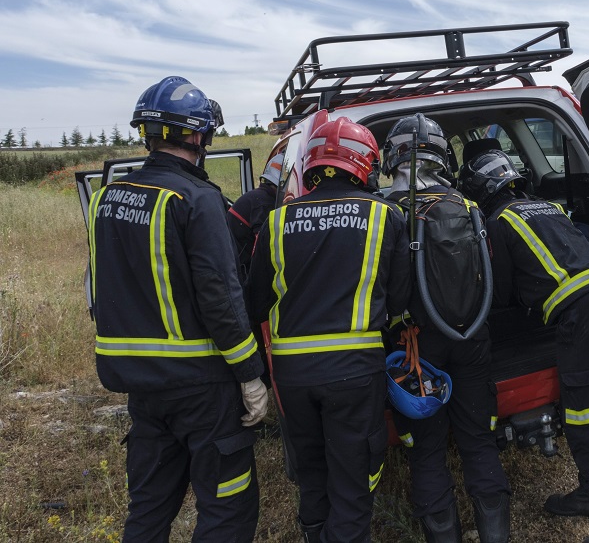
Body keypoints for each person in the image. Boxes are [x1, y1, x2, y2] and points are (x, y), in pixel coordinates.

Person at [87, 76, 267, 541]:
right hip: (201, 385)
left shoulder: (107, 198)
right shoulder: (197, 199)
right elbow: (221, 299)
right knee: (228, 508)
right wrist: (249, 374)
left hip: (142, 387)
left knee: (148, 508)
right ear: (195, 135)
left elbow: (101, 288)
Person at [247, 114, 411, 543]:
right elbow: (399, 300)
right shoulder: (384, 216)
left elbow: (255, 302)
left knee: (311, 466)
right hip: (354, 372)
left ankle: (314, 532)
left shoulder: (277, 221)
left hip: (292, 376)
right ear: (364, 164)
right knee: (352, 477)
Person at [460, 148, 589, 543]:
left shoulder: (499, 220)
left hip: (581, 315)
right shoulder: (546, 206)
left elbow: (498, 296)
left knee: (582, 412)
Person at [381, 114, 511, 543]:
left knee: (427, 451)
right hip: (473, 337)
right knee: (479, 440)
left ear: (394, 156)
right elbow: (494, 277)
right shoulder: (469, 207)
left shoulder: (390, 212)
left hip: (418, 348)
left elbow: (388, 293)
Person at [227, 152, 284, 276]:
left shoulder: (256, 197)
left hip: (234, 265)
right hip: (243, 271)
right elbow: (262, 249)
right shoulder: (264, 204)